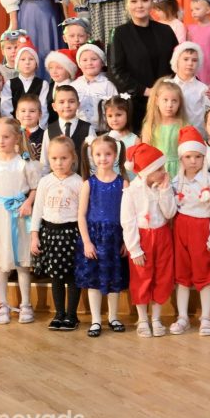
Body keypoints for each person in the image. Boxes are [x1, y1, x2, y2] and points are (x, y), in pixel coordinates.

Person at [0, 117, 41, 325]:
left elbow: (35, 187)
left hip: (20, 216)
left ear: (16, 138)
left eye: (5, 137)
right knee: (1, 264)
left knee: (22, 263)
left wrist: (28, 202)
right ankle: (3, 304)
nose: (1, 141)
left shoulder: (24, 163)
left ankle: (26, 304)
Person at [169, 127, 210, 337]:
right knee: (182, 274)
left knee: (204, 272)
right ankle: (182, 317)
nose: (193, 161)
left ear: (203, 157)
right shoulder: (175, 182)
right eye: (188, 156)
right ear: (181, 158)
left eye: (198, 156)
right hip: (180, 228)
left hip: (202, 228)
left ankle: (206, 317)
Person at [121, 141, 178, 338]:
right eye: (159, 169)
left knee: (162, 276)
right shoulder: (131, 192)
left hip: (162, 236)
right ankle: (143, 319)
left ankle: (156, 318)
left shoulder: (163, 187)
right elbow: (128, 222)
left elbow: (169, 213)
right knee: (142, 277)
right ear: (146, 172)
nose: (164, 172)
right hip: (142, 238)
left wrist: (165, 191)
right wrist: (134, 249)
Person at [76, 134, 131, 338]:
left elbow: (129, 215)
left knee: (114, 279)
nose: (103, 158)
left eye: (107, 154)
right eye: (98, 154)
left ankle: (113, 317)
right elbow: (81, 215)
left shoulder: (123, 183)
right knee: (94, 280)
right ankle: (96, 320)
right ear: (92, 156)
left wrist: (127, 241)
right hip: (94, 238)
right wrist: (87, 242)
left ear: (115, 155)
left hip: (115, 239)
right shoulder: (88, 184)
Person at [29, 135, 83, 331]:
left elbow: (83, 213)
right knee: (56, 277)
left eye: (64, 158)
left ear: (73, 158)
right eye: (54, 158)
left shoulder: (78, 182)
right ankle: (59, 314)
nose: (59, 163)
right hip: (50, 233)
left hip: (71, 234)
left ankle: (72, 315)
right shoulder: (45, 182)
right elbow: (38, 210)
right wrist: (34, 235)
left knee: (73, 276)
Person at [110, 0, 179, 129]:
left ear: (152, 3)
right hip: (136, 104)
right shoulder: (120, 33)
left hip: (167, 103)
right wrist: (146, 91)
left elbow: (179, 62)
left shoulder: (166, 31)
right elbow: (116, 71)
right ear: (127, 5)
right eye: (134, 1)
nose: (139, 5)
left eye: (145, 0)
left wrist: (198, 85)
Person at [40, 85, 95, 176]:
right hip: (57, 181)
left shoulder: (88, 129)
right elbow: (44, 164)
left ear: (78, 104)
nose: (67, 105)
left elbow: (93, 162)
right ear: (54, 106)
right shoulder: (49, 131)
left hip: (82, 180)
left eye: (71, 101)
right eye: (61, 102)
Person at [142, 79, 188, 177]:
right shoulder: (150, 126)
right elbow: (145, 153)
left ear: (179, 103)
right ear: (157, 101)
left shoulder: (184, 126)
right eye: (165, 100)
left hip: (179, 170)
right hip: (157, 170)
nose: (169, 105)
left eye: (174, 101)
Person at [169, 42, 210, 133]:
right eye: (186, 59)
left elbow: (208, 116)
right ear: (177, 60)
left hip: (196, 135)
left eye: (194, 60)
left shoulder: (203, 89)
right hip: (172, 134)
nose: (190, 63)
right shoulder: (167, 85)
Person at [186, 0, 210, 89]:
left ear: (208, 10)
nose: (193, 12)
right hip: (195, 67)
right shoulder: (190, 29)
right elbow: (188, 49)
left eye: (197, 9)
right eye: (192, 10)